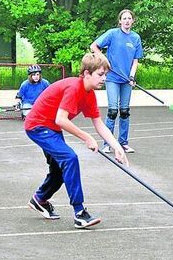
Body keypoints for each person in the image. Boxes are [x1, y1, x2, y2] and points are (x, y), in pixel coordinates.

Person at [24, 53, 127, 228]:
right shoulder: (74, 88)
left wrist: (116, 146)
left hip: (51, 128)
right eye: (100, 74)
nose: (104, 79)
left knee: (59, 169)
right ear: (87, 73)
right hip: (38, 126)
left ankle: (39, 199)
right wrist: (87, 138)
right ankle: (79, 213)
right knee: (70, 158)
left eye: (105, 75)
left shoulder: (89, 94)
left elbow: (99, 123)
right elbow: (61, 119)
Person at [90, 9, 143, 154]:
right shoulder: (112, 33)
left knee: (124, 111)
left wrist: (132, 76)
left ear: (133, 21)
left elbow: (135, 61)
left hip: (126, 80)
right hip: (112, 78)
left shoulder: (135, 38)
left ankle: (123, 143)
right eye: (124, 18)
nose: (126, 21)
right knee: (113, 111)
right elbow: (94, 46)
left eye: (129, 18)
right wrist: (104, 60)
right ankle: (107, 143)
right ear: (120, 21)